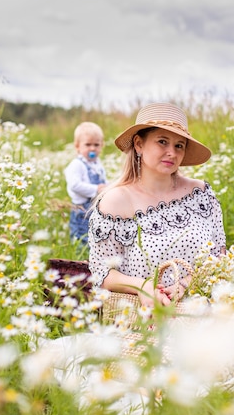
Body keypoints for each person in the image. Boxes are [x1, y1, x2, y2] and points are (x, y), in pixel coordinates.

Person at [88, 102, 226, 307]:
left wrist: (187, 283)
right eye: (162, 142)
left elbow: (219, 256)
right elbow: (102, 272)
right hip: (144, 319)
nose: (172, 152)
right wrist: (142, 286)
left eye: (179, 145)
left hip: (203, 312)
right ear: (138, 144)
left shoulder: (202, 194)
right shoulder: (116, 201)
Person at [64, 121, 108, 247]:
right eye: (88, 145)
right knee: (82, 237)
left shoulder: (97, 164)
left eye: (96, 145)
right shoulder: (77, 164)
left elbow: (102, 181)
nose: (93, 148)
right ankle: (79, 261)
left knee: (95, 236)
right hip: (82, 209)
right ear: (77, 147)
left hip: (95, 207)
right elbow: (75, 185)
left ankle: (93, 259)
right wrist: (96, 189)